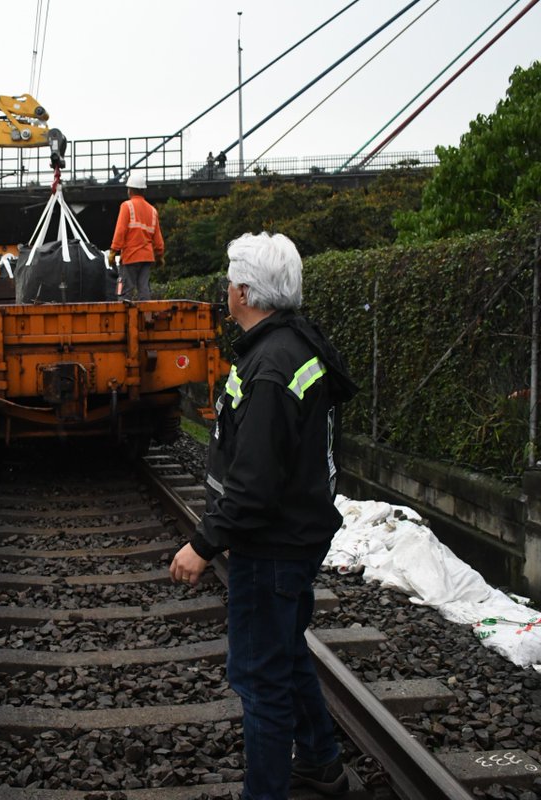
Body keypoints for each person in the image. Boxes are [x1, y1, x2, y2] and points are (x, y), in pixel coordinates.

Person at [169, 232, 358, 799]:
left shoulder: (270, 367)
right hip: (297, 536)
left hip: (271, 546)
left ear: (246, 292)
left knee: (258, 679)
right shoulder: (293, 345)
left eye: (230, 281)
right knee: (287, 648)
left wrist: (201, 545)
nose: (226, 289)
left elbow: (253, 485)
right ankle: (321, 761)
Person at [109, 172, 164, 300]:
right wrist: (160, 255)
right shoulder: (153, 211)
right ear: (143, 190)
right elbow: (158, 238)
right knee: (144, 290)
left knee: (124, 292)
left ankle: (123, 319)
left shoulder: (126, 206)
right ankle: (146, 318)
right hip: (147, 257)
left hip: (131, 256)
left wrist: (113, 250)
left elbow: (120, 230)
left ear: (130, 190)